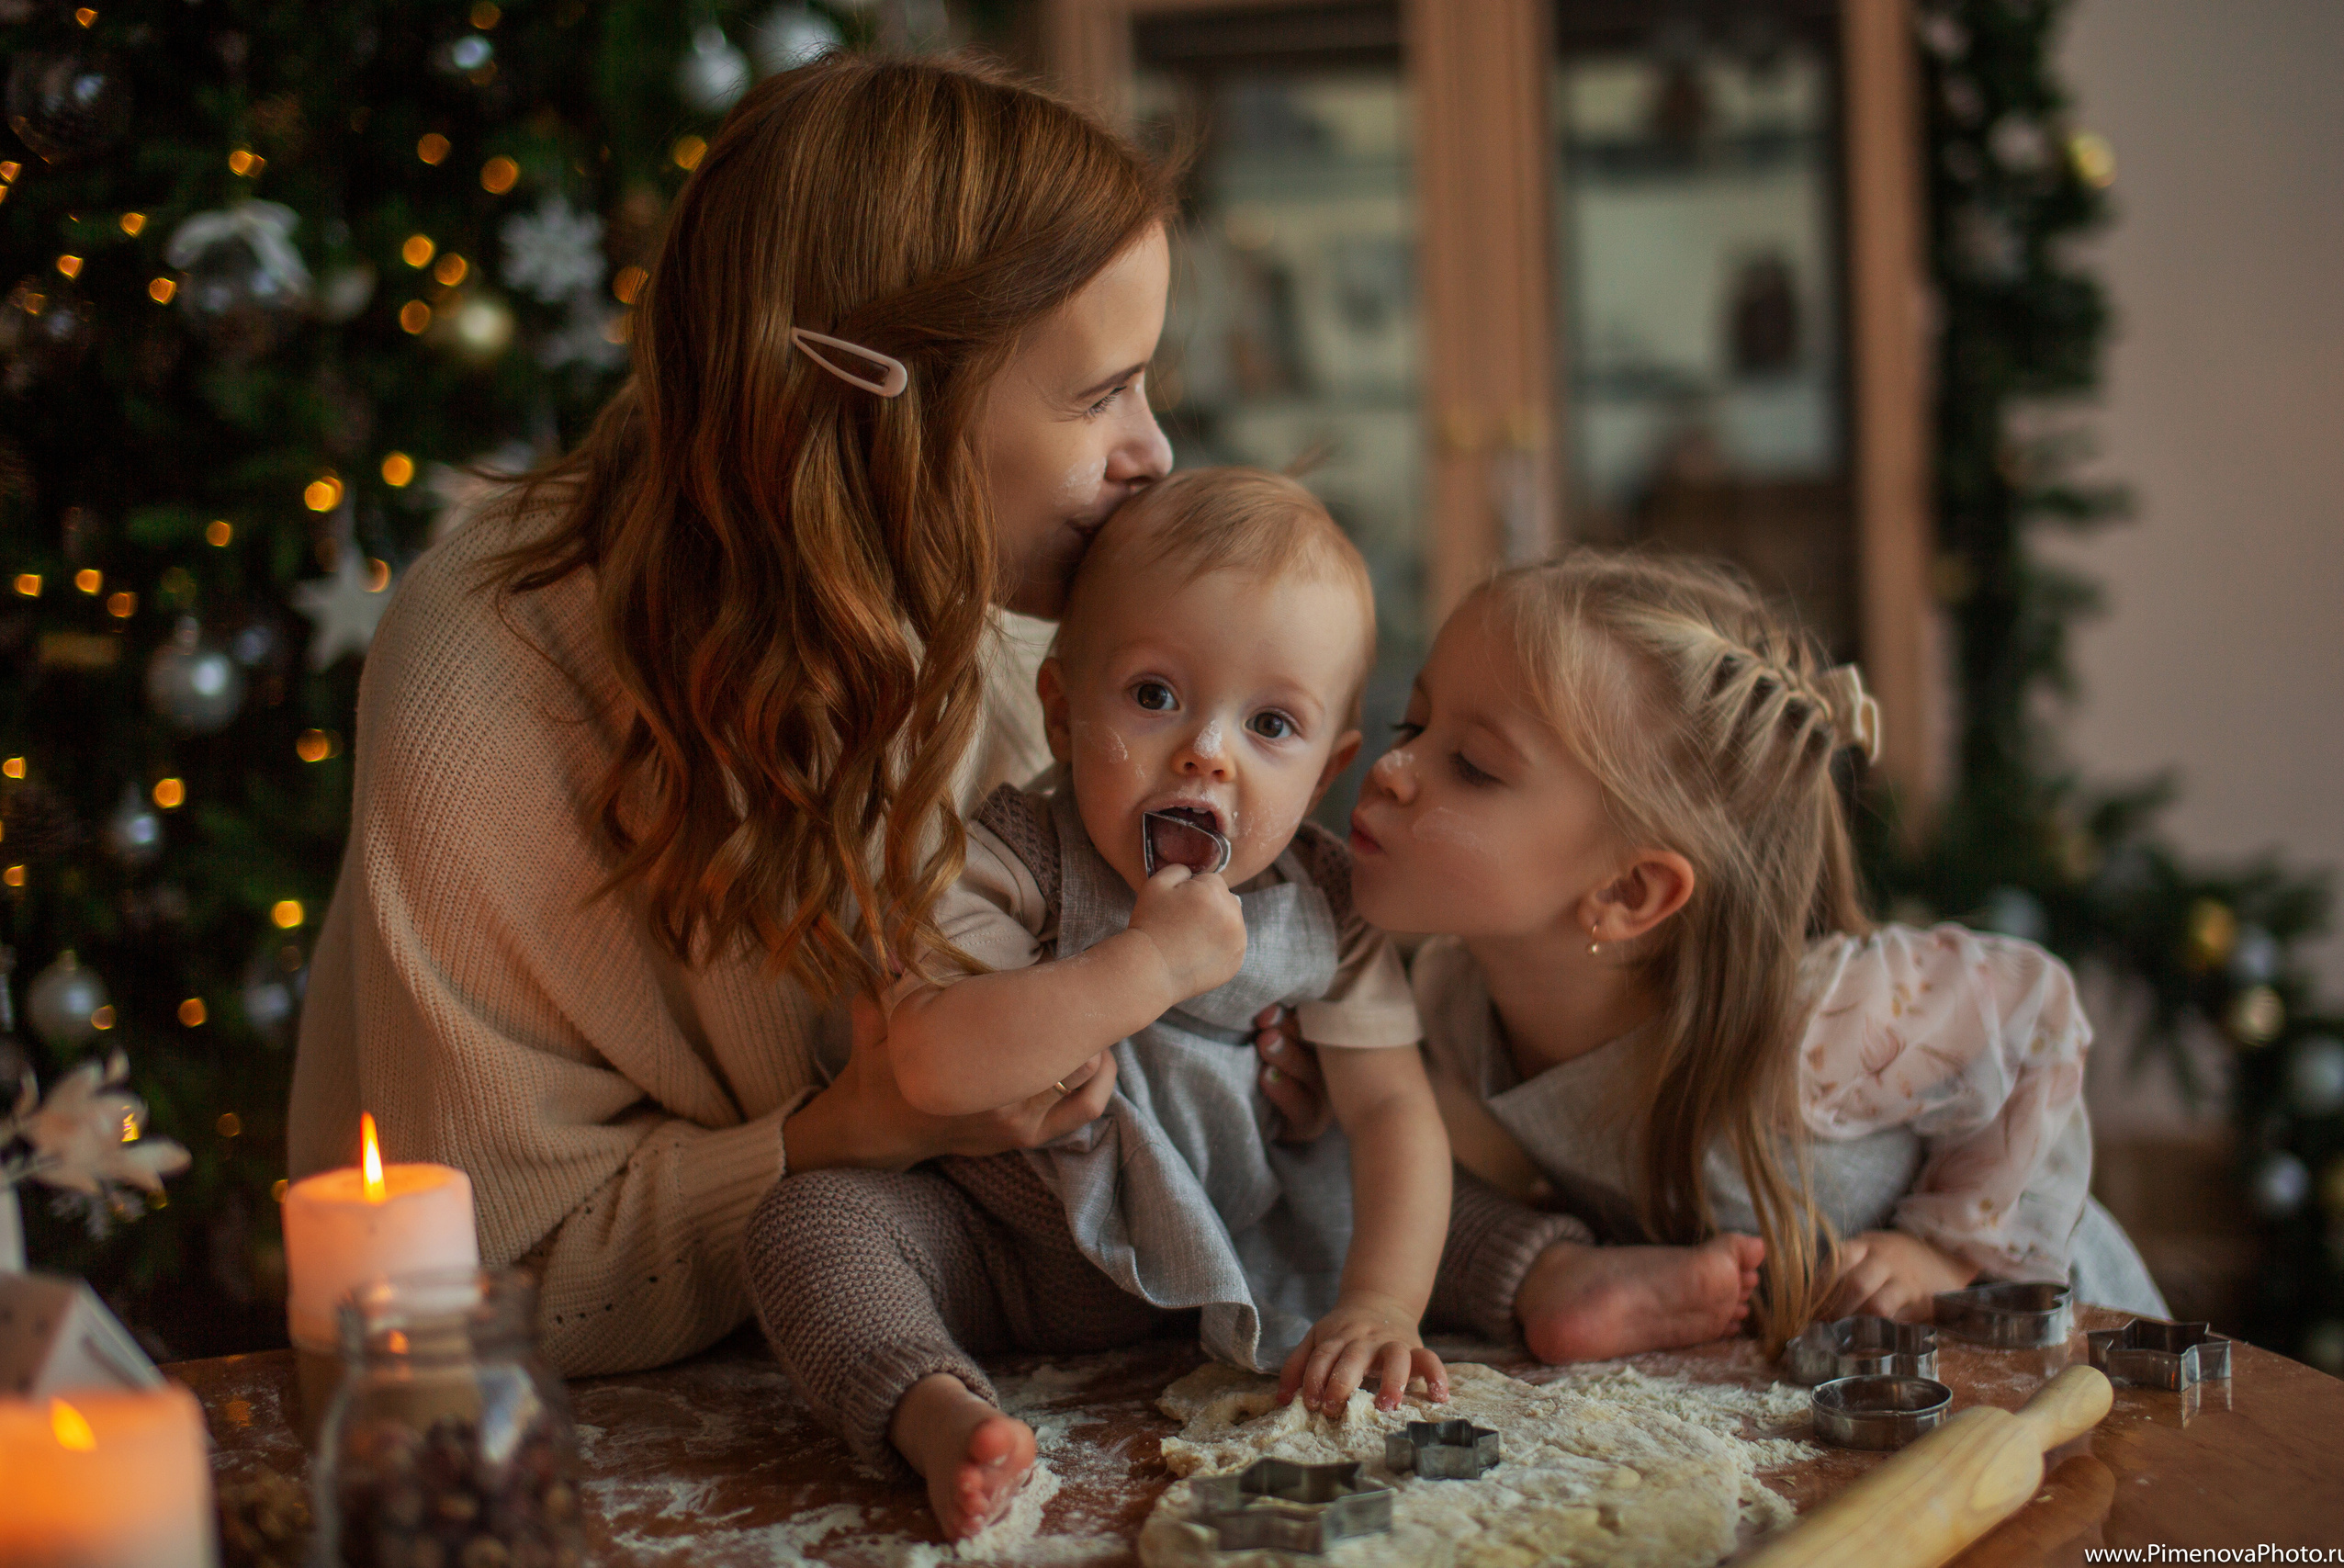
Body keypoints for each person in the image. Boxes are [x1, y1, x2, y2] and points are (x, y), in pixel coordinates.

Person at [286, 56, 1334, 1378]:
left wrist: (1251, 1069)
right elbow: (485, 1278)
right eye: (1098, 394)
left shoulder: (1030, 591)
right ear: (876, 399)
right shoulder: (492, 669)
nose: (1156, 452)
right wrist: (860, 1123)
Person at [743, 469, 1451, 1539]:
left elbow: (1393, 1110)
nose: (1205, 751)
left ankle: (1555, 1274)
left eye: (1269, 723)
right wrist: (1148, 969)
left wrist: (1383, 1305)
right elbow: (934, 1068)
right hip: (1002, 1249)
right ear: (1062, 707)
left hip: (1234, 1248)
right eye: (1155, 696)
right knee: (807, 1227)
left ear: (1328, 769)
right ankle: (931, 1411)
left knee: (1413, 1201)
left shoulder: (1324, 909)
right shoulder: (1009, 859)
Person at [1347, 551, 2168, 1362]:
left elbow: (2034, 1014)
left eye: (1473, 766)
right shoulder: (1456, 991)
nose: (1389, 769)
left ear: (1630, 892)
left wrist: (1944, 1252)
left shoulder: (1818, 1022)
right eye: (1412, 725)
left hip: (2048, 1335)